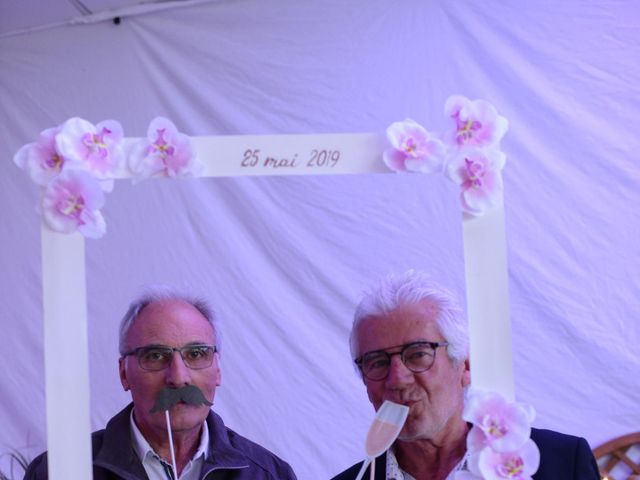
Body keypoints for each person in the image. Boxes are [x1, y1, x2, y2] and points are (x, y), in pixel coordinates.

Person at [331, 270, 599, 480]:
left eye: (417, 353)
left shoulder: (561, 464)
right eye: (376, 362)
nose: (397, 379)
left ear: (466, 367)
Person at [25, 287, 297, 480]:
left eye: (196, 354)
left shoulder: (267, 474)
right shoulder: (59, 471)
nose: (178, 377)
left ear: (218, 370)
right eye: (155, 356)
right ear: (123, 374)